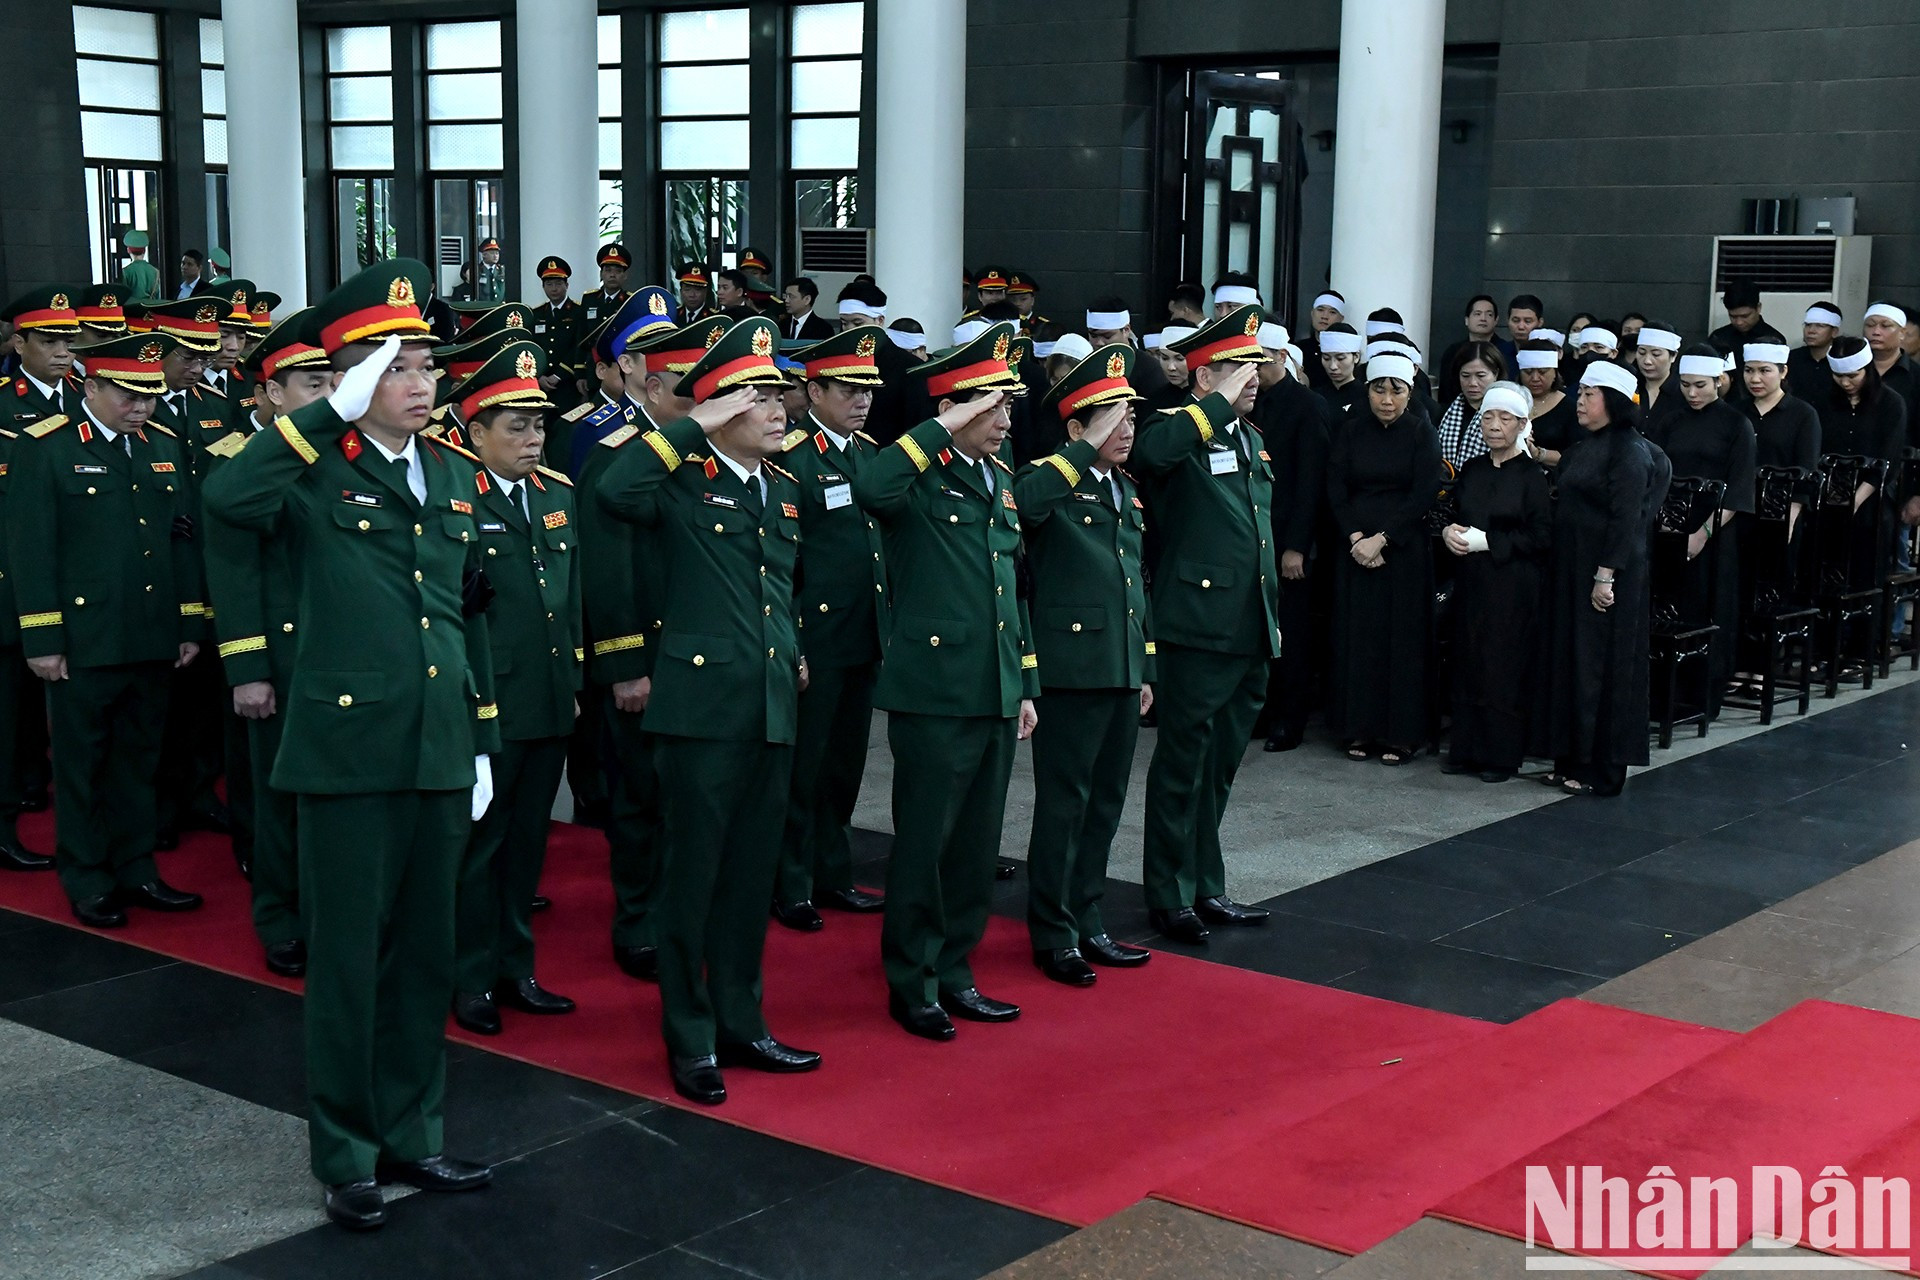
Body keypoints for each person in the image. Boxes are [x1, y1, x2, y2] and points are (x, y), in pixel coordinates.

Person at [203, 260, 500, 1230]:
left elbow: (457, 612)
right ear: (351, 378)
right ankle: (346, 1151)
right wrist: (324, 415)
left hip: (437, 742)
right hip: (346, 747)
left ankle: (414, 1130)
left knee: (425, 955)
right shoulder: (309, 465)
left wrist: (479, 737)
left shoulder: (451, 469)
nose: (420, 382)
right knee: (346, 961)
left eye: (426, 365)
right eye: (396, 367)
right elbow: (228, 499)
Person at [597, 315, 815, 1103]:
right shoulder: (677, 477)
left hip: (768, 706)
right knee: (690, 881)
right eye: (760, 399)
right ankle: (690, 1036)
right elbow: (612, 491)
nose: (779, 410)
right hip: (699, 711)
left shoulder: (782, 486)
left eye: (779, 396)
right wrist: (694, 424)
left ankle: (742, 1021)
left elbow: (778, 587)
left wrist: (790, 648)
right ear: (722, 409)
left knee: (749, 878)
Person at [853, 321, 1037, 1041]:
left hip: (992, 688)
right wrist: (945, 425)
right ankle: (913, 979)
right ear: (955, 410)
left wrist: (1024, 683)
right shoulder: (919, 474)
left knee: (975, 847)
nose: (1005, 420)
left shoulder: (1000, 478)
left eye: (1008, 407)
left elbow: (1009, 588)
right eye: (992, 408)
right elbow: (873, 487)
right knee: (926, 843)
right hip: (933, 691)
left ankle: (956, 969)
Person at [10, 321, 206, 923]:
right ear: (90, 386)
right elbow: (30, 550)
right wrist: (43, 637)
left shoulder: (162, 445)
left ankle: (137, 868)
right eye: (128, 394)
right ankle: (88, 875)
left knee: (139, 759)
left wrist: (188, 622)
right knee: (82, 766)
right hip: (84, 638)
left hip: (151, 632)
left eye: (149, 395)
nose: (140, 406)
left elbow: (181, 541)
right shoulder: (48, 446)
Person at [447, 339, 582, 1036]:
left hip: (548, 696)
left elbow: (571, 599)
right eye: (517, 427)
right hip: (487, 702)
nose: (533, 439)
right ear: (476, 433)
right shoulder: (453, 499)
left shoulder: (556, 494)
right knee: (481, 847)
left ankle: (516, 967)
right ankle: (469, 976)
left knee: (528, 844)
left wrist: (575, 677)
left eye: (539, 426)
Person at [1131, 306, 1277, 944]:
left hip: (1248, 623)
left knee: (1219, 766)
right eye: (1238, 368)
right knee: (1182, 763)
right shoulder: (1175, 426)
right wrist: (1212, 406)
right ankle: (1169, 892)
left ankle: (1205, 884)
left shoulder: (1249, 436)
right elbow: (1151, 455)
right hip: (1196, 622)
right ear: (1203, 376)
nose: (1253, 378)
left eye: (1255, 367)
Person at [1014, 343, 1156, 986]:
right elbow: (1027, 503)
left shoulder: (1123, 487)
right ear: (1076, 429)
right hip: (1070, 669)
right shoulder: (1048, 477)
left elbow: (1134, 583)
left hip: (1119, 666)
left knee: (1105, 802)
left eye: (1131, 417)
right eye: (1111, 419)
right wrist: (1078, 451)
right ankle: (1053, 930)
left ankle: (1088, 916)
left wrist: (1145, 666)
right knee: (1064, 804)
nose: (1126, 429)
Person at [577, 308, 708, 985]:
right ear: (652, 388)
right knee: (639, 797)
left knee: (690, 799)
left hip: (701, 655)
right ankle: (637, 921)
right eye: (686, 383)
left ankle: (681, 914)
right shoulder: (618, 454)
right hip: (648, 657)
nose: (700, 395)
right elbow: (608, 571)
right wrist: (625, 664)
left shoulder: (706, 450)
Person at [201, 308, 331, 977]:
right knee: (278, 800)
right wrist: (248, 668)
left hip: (341, 657)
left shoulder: (345, 457)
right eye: (313, 385)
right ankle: (280, 917)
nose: (328, 396)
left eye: (333, 382)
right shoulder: (242, 465)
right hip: (280, 658)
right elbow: (233, 574)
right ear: (274, 393)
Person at [771, 326, 889, 928]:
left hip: (861, 632)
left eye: (867, 390)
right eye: (848, 389)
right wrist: (791, 641)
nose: (861, 401)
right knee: (805, 767)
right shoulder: (791, 458)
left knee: (845, 765)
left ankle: (833, 871)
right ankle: (790, 882)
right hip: (815, 636)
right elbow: (784, 562)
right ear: (814, 392)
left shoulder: (869, 454)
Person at [1537, 361, 1670, 798]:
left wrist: (1605, 575)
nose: (1579, 402)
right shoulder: (1582, 447)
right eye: (1579, 394)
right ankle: (1569, 758)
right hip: (1572, 569)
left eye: (1588, 395)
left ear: (1611, 401)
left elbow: (1626, 521)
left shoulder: (1630, 452)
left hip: (1608, 575)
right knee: (1571, 662)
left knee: (1603, 666)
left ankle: (1602, 768)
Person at [1325, 352, 1443, 765]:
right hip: (1355, 547)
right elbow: (1336, 486)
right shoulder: (1351, 430)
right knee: (1358, 638)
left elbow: (1424, 492)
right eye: (1379, 390)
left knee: (1402, 642)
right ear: (1368, 391)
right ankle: (1357, 727)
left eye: (1397, 391)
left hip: (1403, 550)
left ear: (1409, 394)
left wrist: (1383, 539)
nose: (1387, 400)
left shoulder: (1421, 432)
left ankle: (1401, 734)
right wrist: (1357, 537)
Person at [1442, 381, 1551, 782]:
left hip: (1513, 584)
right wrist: (1449, 532)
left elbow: (1542, 536)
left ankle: (1500, 755)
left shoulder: (1532, 476)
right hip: (1472, 579)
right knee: (1468, 659)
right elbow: (1452, 513)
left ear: (1522, 424)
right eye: (1488, 417)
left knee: (1502, 666)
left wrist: (1491, 541)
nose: (1494, 425)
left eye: (1505, 418)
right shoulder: (1472, 469)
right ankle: (1465, 749)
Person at [1646, 345, 1757, 715]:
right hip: (1670, 526)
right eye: (1686, 386)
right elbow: (1657, 474)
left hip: (1716, 530)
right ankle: (1663, 692)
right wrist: (1666, 523)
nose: (1692, 393)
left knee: (1712, 605)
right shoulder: (1670, 421)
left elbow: (1738, 488)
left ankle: (1704, 694)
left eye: (1700, 385)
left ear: (1718, 382)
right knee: (1668, 605)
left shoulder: (1737, 424)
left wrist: (1701, 534)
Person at [1256, 322, 1330, 753]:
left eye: (1261, 360)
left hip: (1288, 539)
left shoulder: (1306, 405)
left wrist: (1297, 546)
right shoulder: (1246, 402)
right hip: (1255, 538)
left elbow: (1311, 482)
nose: (1254, 369)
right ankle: (1261, 712)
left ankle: (1289, 720)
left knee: (1292, 634)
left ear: (1282, 357)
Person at [1435, 342, 1505, 467]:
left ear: (1496, 374)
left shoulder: (1507, 414)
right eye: (1465, 376)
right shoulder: (1444, 413)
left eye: (1480, 376)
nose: (1472, 383)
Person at [1516, 340, 1576, 467]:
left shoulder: (1570, 408)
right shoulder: (1510, 400)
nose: (1535, 378)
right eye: (1528, 372)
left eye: (1542, 372)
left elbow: (1576, 456)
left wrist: (1538, 453)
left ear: (1555, 373)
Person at [1441, 294, 1513, 380]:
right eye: (1477, 314)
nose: (1483, 318)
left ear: (1496, 321)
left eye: (1489, 314)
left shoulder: (1506, 351)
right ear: (1466, 320)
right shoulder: (1453, 352)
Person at [1787, 302, 1843, 404]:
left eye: (1820, 326)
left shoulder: (1842, 361)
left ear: (1834, 332)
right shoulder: (1791, 358)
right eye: (1808, 325)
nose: (1811, 331)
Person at [1317, 323, 1365, 421]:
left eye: (1340, 358)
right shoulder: (1315, 397)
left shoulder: (1366, 397)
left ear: (1356, 357)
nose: (1333, 366)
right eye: (1326, 358)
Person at [1299, 289, 1345, 391]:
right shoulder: (1299, 349)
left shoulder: (1345, 353)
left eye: (1332, 312)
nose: (1324, 316)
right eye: (1320, 310)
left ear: (1341, 318)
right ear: (1312, 313)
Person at [580, 243, 632, 328]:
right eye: (608, 270)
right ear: (601, 274)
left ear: (625, 275)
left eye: (618, 271)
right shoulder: (589, 299)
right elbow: (581, 330)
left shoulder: (630, 301)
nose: (612, 275)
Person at [781, 277, 832, 341]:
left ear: (807, 299)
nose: (786, 300)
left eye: (791, 296)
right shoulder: (781, 325)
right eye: (786, 296)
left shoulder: (823, 328)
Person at [119, 229, 161, 304]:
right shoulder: (155, 272)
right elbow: (158, 296)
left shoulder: (125, 272)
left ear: (128, 250)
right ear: (144, 251)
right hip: (150, 308)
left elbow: (123, 296)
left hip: (131, 309)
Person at [475, 238, 505, 303]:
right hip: (483, 306)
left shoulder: (502, 270)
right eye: (492, 253)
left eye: (497, 253)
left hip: (499, 306)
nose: (495, 256)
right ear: (484, 255)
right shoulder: (477, 270)